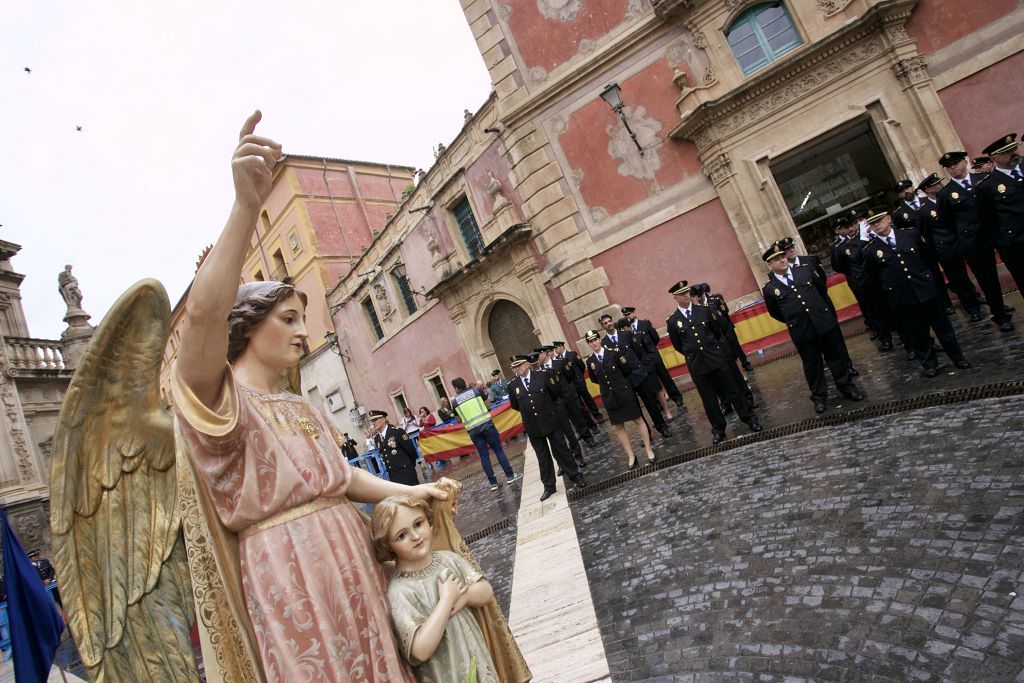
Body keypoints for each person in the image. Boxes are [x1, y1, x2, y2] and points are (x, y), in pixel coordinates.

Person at [172, 110, 444, 682]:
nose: (303, 330)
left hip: (348, 548)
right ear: (246, 326)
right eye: (289, 318)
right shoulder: (218, 404)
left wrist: (411, 488)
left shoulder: (301, 406)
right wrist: (246, 208)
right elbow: (200, 313)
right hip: (286, 567)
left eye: (304, 317)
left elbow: (342, 479)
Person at [371, 495, 499, 682]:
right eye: (402, 535)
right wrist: (446, 601)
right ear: (387, 545)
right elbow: (420, 650)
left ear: (428, 521)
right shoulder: (400, 592)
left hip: (478, 661)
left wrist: (465, 596)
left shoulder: (448, 560)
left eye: (418, 524)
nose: (415, 536)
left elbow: (486, 591)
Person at [862, 206, 971, 377]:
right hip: (904, 298)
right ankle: (929, 364)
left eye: (879, 220)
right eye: (872, 224)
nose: (877, 225)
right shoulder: (870, 251)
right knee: (918, 334)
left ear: (889, 219)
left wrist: (935, 285)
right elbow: (874, 279)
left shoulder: (910, 235)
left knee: (944, 328)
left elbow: (929, 258)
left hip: (927, 290)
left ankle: (958, 358)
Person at [762, 242, 865, 414]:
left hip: (823, 322)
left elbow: (821, 291)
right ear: (770, 264)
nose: (782, 260)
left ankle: (847, 387)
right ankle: (819, 397)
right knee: (812, 365)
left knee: (836, 357)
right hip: (802, 331)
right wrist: (797, 319)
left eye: (782, 256)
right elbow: (776, 313)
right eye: (777, 259)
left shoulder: (804, 270)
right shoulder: (770, 289)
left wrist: (822, 314)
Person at [666, 280, 762, 444]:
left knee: (733, 390)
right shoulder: (673, 321)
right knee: (709, 399)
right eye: (682, 294)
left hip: (716, 359)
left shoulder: (704, 311)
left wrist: (712, 350)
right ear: (675, 297)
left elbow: (716, 333)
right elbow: (678, 346)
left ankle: (749, 418)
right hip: (698, 365)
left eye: (687, 292)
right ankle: (718, 429)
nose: (686, 295)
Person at [936, 149, 1014, 332]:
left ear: (965, 162)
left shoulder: (984, 179)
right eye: (948, 167)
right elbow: (947, 223)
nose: (952, 168)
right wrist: (965, 238)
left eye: (955, 163)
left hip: (999, 234)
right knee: (988, 281)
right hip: (974, 243)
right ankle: (1000, 315)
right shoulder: (946, 194)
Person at [507, 354, 586, 501]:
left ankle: (576, 476)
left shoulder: (542, 376)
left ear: (527, 364)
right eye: (515, 367)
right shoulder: (513, 386)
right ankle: (549, 486)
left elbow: (555, 393)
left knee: (561, 450)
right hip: (533, 426)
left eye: (520, 365)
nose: (518, 368)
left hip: (550, 420)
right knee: (542, 457)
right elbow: (515, 405)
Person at [915, 172, 984, 322]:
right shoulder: (924, 209)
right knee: (957, 280)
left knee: (968, 275)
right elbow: (926, 234)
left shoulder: (947, 197)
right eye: (934, 185)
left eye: (939, 183)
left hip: (960, 242)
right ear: (927, 190)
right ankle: (971, 308)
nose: (939, 186)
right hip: (946, 249)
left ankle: (976, 298)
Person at [583, 330, 655, 470]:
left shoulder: (614, 353)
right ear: (588, 344)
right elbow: (594, 379)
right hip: (610, 397)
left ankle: (648, 449)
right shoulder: (591, 361)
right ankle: (631, 455)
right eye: (591, 341)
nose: (594, 343)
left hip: (624, 392)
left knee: (638, 420)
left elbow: (626, 369)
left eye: (596, 339)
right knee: (619, 428)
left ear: (600, 339)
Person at [450, 377, 521, 491]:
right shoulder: (476, 391)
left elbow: (458, 420)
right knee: (498, 450)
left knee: (484, 456)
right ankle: (510, 476)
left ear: (456, 388)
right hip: (487, 426)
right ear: (464, 384)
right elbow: (488, 405)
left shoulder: (454, 403)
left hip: (473, 431)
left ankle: (493, 483)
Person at [976, 134, 1024, 295]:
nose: (1013, 154)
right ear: (994, 158)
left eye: (1013, 149)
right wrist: (1004, 245)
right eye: (1006, 152)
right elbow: (987, 220)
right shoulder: (987, 186)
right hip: (1017, 245)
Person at [372, 410, 422, 485]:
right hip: (394, 477)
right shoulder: (377, 439)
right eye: (372, 421)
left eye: (375, 420)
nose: (373, 423)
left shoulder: (397, 432)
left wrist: (409, 467)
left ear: (383, 419)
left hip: (406, 473)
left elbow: (411, 451)